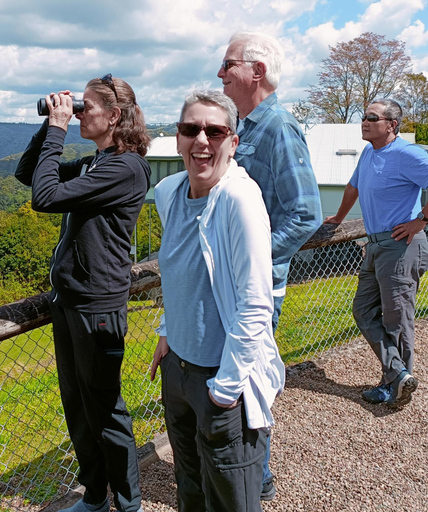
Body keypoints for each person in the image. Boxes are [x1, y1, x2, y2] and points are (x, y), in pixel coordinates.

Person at [15, 74, 150, 512]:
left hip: (98, 306)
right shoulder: (98, 162)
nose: (77, 114)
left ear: (113, 116)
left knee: (106, 410)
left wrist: (57, 129)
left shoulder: (125, 167)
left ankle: (129, 504)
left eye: (85, 107)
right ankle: (95, 496)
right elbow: (26, 175)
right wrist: (47, 125)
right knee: (78, 407)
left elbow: (46, 197)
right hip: (70, 302)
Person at [149, 90, 284, 512]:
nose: (202, 140)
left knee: (232, 499)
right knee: (189, 487)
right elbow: (182, 273)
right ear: (178, 139)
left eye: (216, 130)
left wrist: (225, 390)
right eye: (191, 129)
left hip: (223, 378)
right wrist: (168, 333)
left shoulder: (238, 200)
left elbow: (256, 302)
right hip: (179, 370)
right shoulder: (169, 193)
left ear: (233, 142)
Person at [218, 31, 322, 500]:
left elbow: (305, 213)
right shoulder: (246, 125)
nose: (220, 73)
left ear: (256, 71)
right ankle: (237, 475)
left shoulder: (278, 126)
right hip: (230, 286)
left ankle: (253, 483)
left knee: (248, 385)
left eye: (228, 64)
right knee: (228, 381)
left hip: (255, 289)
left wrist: (255, 262)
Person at [323, 99, 428, 408]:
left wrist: (421, 220)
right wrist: (339, 218)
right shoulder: (370, 153)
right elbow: (353, 188)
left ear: (391, 125)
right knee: (363, 310)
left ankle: (394, 386)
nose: (364, 122)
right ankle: (399, 376)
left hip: (401, 248)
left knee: (397, 321)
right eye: (364, 117)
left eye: (372, 117)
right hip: (375, 246)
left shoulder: (405, 153)